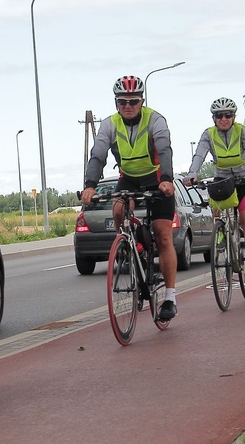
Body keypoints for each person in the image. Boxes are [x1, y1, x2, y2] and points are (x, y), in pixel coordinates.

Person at [80, 76, 178, 320]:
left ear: (141, 101)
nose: (128, 106)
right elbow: (98, 154)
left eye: (133, 101)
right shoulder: (109, 124)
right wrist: (90, 186)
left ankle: (170, 298)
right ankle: (128, 245)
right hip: (129, 178)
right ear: (116, 103)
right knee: (118, 210)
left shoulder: (155, 120)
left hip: (156, 178)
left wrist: (167, 178)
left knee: (163, 234)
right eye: (122, 102)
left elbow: (164, 148)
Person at [185, 97, 245, 290]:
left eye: (228, 115)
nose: (223, 119)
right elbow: (199, 154)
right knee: (217, 209)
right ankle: (221, 234)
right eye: (219, 115)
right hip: (223, 179)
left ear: (234, 117)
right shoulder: (208, 134)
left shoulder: (242, 131)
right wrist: (192, 173)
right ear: (213, 118)